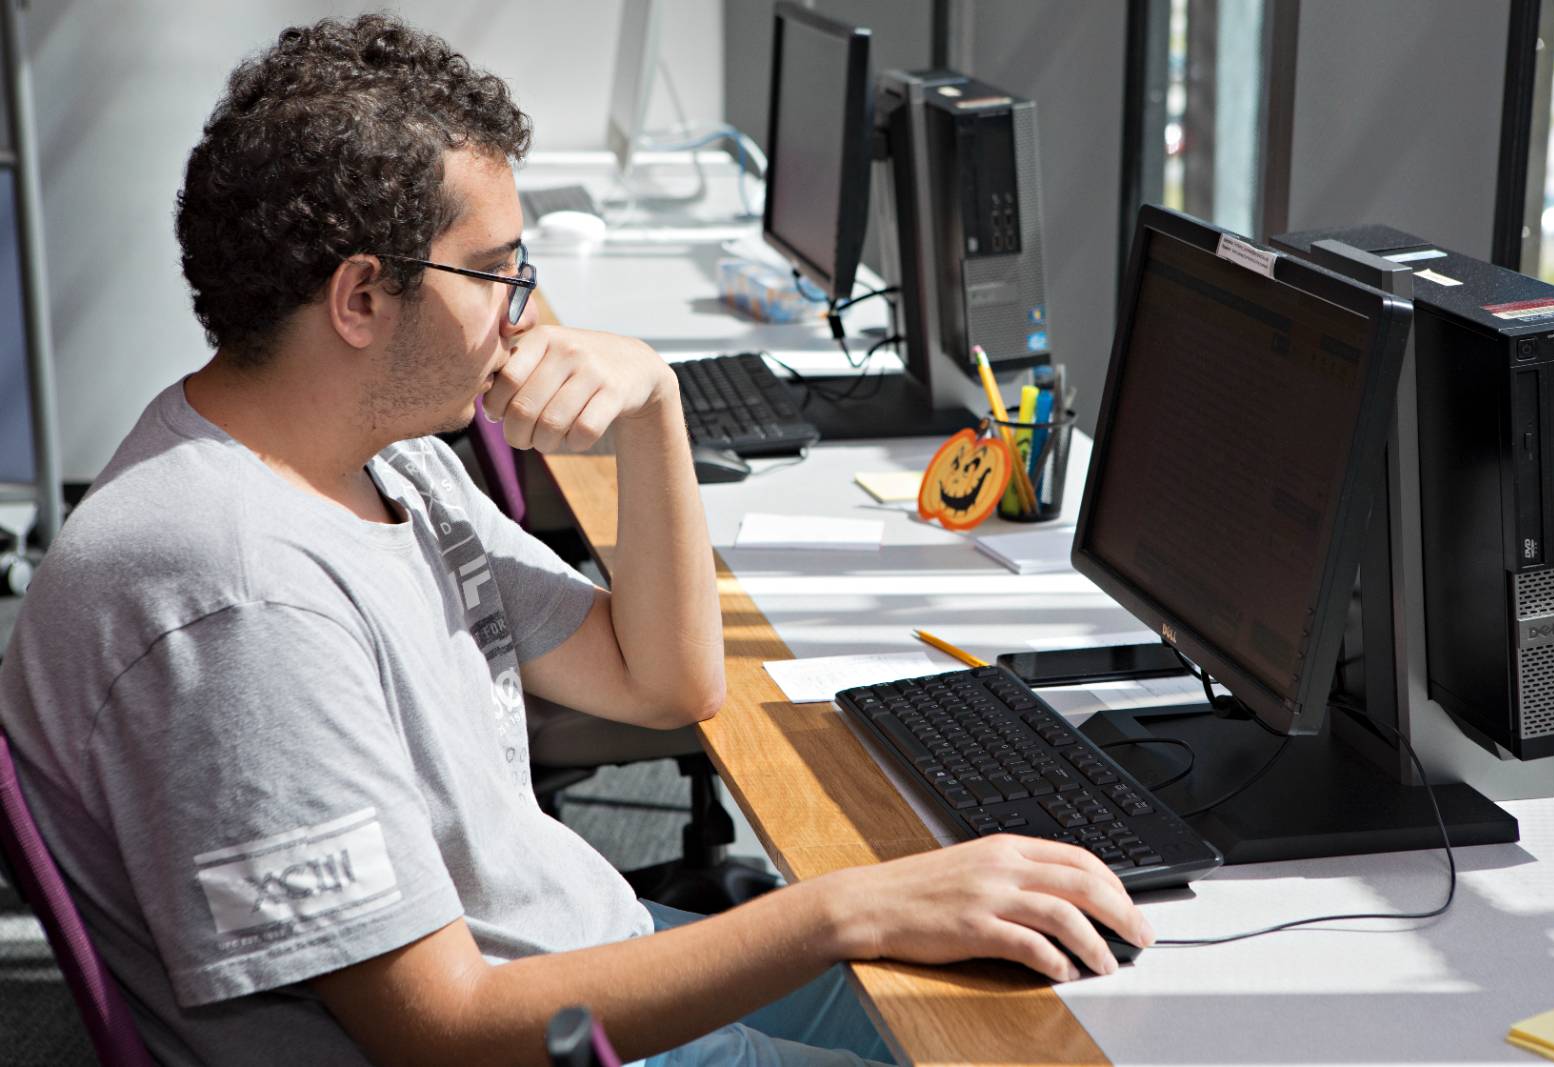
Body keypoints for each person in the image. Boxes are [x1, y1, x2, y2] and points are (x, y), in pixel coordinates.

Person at [0, 15, 1154, 1066]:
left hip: (572, 947)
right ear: (360, 297)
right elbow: (442, 1029)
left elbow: (662, 679)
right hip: (535, 1032)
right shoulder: (237, 596)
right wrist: (843, 904)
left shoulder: (373, 458)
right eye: (498, 270)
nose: (523, 311)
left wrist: (653, 408)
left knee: (1048, 1009)